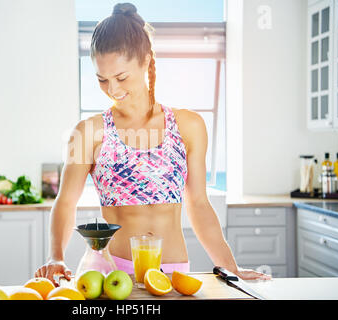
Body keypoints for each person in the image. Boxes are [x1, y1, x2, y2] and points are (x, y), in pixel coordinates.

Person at [35, 2, 271, 285]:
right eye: (102, 80)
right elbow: (65, 202)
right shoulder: (89, 131)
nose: (113, 89)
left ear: (146, 60)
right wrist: (56, 257)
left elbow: (198, 204)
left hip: (175, 273)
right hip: (113, 273)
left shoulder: (188, 125)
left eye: (121, 77)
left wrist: (231, 268)